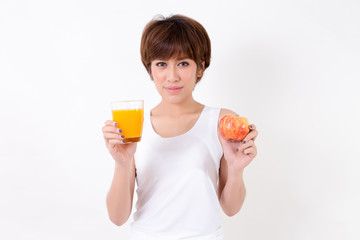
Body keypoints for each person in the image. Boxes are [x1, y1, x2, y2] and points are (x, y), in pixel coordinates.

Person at [102, 14, 258, 240]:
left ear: (201, 66)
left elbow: (231, 208)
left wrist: (236, 169)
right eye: (162, 64)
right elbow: (117, 217)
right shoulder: (134, 123)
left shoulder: (221, 121)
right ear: (150, 70)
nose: (172, 76)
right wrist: (122, 163)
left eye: (183, 63)